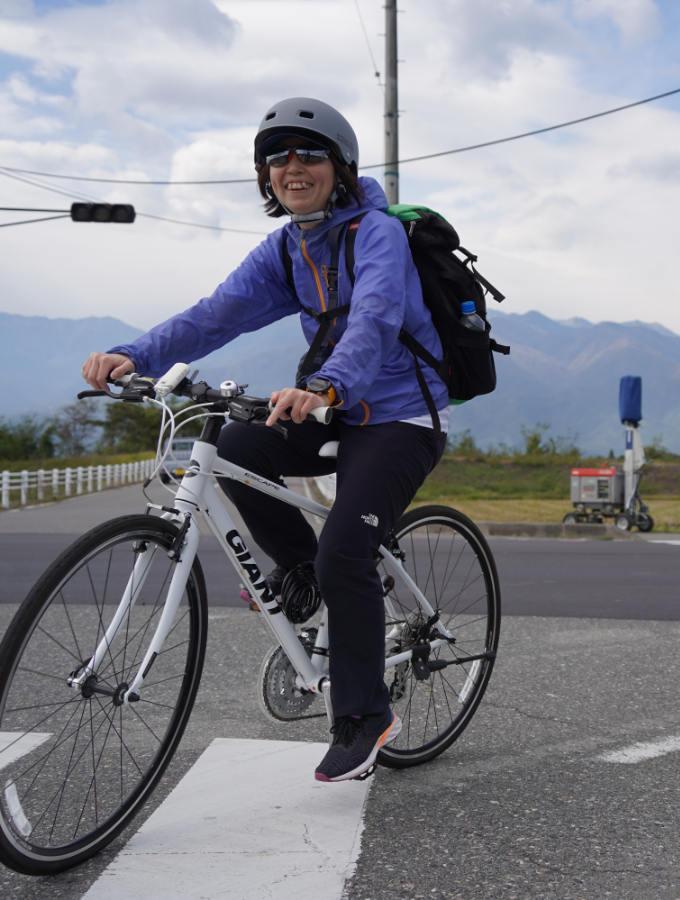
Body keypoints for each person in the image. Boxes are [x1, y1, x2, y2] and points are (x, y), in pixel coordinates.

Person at [81, 97, 449, 781]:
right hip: (332, 404)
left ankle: (366, 715)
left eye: (308, 152)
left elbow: (372, 317)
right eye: (275, 157)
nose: (291, 166)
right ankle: (304, 572)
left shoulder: (376, 233)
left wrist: (329, 385)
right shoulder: (288, 247)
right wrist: (134, 353)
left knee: (348, 546)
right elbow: (214, 315)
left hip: (399, 416)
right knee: (233, 445)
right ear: (264, 177)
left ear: (340, 166)